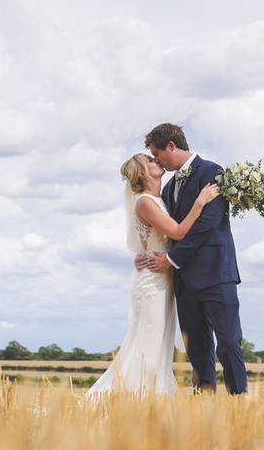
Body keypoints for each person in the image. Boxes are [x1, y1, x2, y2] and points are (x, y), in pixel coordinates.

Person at [86, 152, 219, 397]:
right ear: (142, 173)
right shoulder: (145, 202)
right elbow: (177, 232)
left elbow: (151, 241)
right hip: (152, 284)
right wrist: (200, 202)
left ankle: (150, 398)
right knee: (148, 342)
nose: (156, 160)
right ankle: (134, 398)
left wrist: (145, 253)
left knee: (160, 343)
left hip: (165, 280)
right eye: (149, 160)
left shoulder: (160, 198)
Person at [137, 122, 248, 395]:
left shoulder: (212, 172)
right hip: (184, 282)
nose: (157, 159)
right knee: (196, 347)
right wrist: (145, 255)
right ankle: (204, 405)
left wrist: (172, 259)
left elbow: (207, 224)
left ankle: (239, 400)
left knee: (228, 341)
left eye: (157, 152)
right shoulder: (170, 185)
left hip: (216, 275)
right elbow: (167, 230)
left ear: (171, 146)